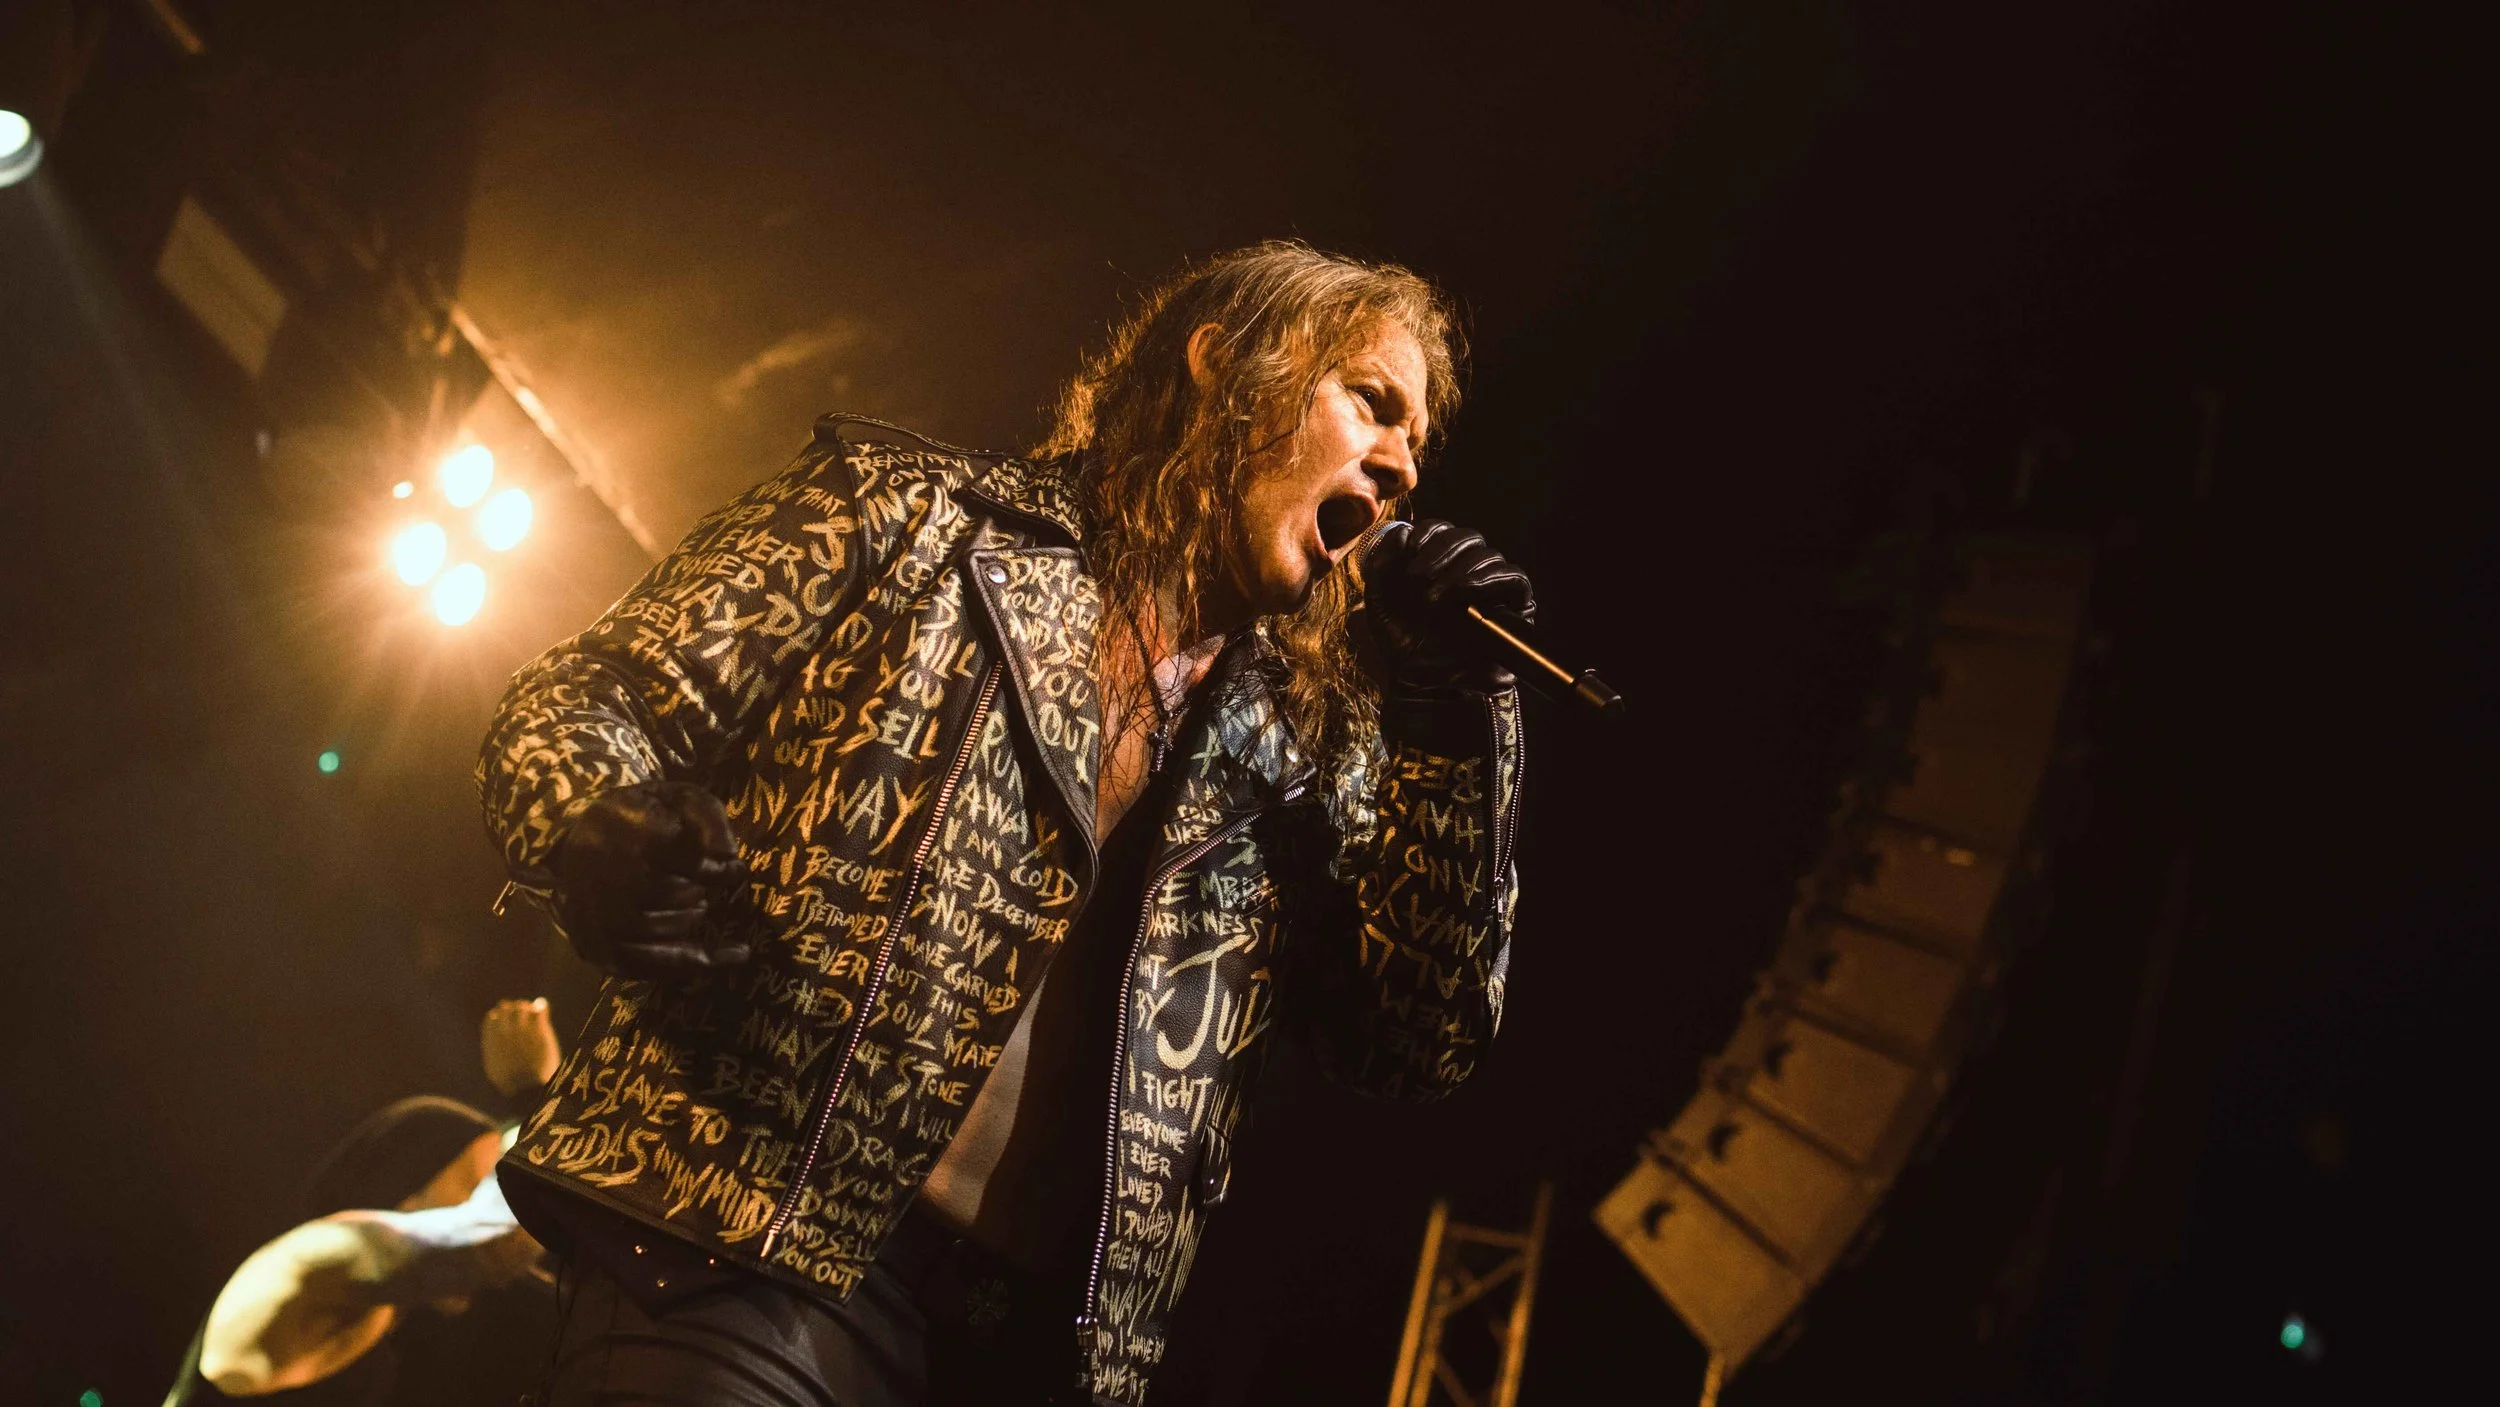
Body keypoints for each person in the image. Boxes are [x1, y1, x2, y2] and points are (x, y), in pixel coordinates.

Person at [479, 241, 1531, 1405]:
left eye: (1417, 444)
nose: (1401, 470)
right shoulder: (916, 518)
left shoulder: (1302, 757)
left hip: (1025, 1363)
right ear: (1229, 367)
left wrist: (1459, 731)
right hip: (744, 1244)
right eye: (1372, 405)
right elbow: (591, 696)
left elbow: (1418, 1037)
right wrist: (600, 825)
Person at [165, 999, 564, 1405]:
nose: (500, 1194)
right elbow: (492, 1237)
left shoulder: (387, 1337)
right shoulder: (303, 1264)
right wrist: (535, 1093)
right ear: (407, 1191)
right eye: (481, 1183)